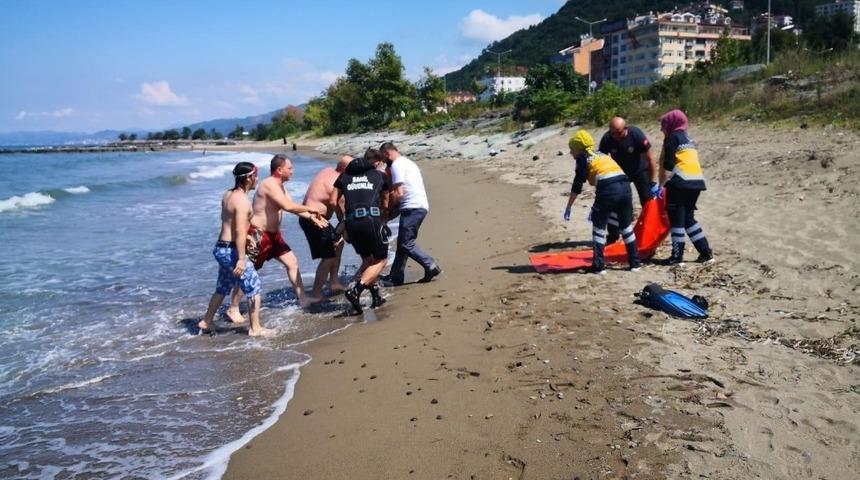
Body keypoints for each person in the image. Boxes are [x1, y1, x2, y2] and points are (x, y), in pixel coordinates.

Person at [225, 155, 327, 317]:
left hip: (274, 236)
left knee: (292, 262)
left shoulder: (281, 186)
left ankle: (303, 299)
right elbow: (288, 206)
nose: (292, 171)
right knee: (248, 271)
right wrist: (311, 210)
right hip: (258, 236)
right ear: (279, 170)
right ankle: (234, 307)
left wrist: (311, 217)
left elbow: (293, 207)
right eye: (290, 168)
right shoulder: (269, 185)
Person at [199, 162, 273, 337]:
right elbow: (239, 229)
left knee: (223, 286)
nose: (257, 179)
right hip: (232, 251)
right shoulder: (242, 202)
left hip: (221, 247)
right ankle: (255, 328)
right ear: (248, 178)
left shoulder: (228, 194)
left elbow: (230, 223)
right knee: (253, 285)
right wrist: (241, 258)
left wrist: (248, 237)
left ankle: (207, 321)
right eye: (255, 176)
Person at [564, 130, 640, 274]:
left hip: (609, 188)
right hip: (625, 186)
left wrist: (569, 206)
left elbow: (577, 185)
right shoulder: (602, 154)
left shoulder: (583, 158)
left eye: (571, 149)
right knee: (626, 227)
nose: (570, 153)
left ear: (578, 148)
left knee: (598, 227)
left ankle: (598, 266)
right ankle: (635, 263)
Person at [379, 142, 441, 285]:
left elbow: (399, 193)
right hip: (418, 205)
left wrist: (388, 209)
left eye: (384, 158)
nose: (384, 162)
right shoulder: (408, 163)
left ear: (387, 153)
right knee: (403, 243)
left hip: (413, 207)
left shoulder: (397, 165)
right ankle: (396, 276)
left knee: (406, 243)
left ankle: (430, 265)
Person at [334, 155, 390, 313]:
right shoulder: (379, 176)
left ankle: (376, 296)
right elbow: (385, 200)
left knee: (367, 260)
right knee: (380, 260)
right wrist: (383, 218)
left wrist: (342, 218)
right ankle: (355, 291)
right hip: (371, 220)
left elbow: (334, 201)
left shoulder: (344, 177)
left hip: (351, 222)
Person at [657, 109, 713, 265]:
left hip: (680, 182)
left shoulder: (672, 138)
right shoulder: (688, 138)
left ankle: (677, 257)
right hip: (696, 182)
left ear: (670, 124)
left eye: (663, 125)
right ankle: (706, 253)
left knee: (677, 220)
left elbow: (668, 165)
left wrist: (660, 186)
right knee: (689, 218)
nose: (662, 129)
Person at [599, 117, 659, 243]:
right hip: (620, 173)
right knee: (614, 201)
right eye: (613, 133)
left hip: (639, 169)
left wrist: (652, 182)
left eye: (619, 133)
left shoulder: (635, 134)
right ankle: (613, 235)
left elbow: (650, 159)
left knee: (647, 200)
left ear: (625, 128)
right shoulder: (607, 138)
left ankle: (651, 232)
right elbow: (601, 161)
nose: (616, 136)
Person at [300, 155, 352, 299]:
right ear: (346, 169)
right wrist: (348, 230)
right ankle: (316, 293)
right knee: (328, 256)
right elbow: (341, 210)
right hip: (313, 220)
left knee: (338, 242)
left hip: (316, 219)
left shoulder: (327, 170)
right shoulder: (337, 182)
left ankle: (334, 282)